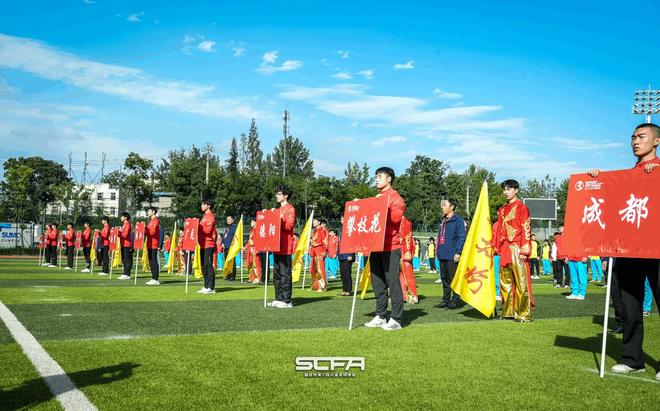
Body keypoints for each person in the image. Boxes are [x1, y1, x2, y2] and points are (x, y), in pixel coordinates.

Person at [588, 123, 660, 378]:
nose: (635, 141)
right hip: (629, 250)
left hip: (656, 249)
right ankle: (632, 359)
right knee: (629, 307)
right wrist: (597, 179)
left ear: (656, 141)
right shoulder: (628, 177)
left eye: (641, 137)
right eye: (632, 137)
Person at [362, 167, 406, 331]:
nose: (377, 179)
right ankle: (380, 315)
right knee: (377, 281)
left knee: (392, 281)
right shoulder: (377, 197)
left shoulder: (396, 198)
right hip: (376, 245)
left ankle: (396, 318)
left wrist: (382, 205)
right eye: (376, 177)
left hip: (391, 246)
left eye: (380, 176)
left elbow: (395, 219)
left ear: (389, 179)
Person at [492, 179, 534, 322]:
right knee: (505, 281)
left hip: (517, 247)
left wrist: (524, 250)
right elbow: (499, 229)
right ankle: (507, 311)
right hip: (504, 248)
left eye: (508, 189)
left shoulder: (522, 208)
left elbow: (526, 229)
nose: (506, 192)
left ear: (516, 190)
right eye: (504, 189)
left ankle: (523, 313)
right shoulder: (502, 209)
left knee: (521, 281)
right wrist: (496, 246)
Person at [434, 198, 466, 310]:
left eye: (444, 205)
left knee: (454, 279)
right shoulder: (443, 220)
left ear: (452, 207)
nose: (442, 207)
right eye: (442, 205)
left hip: (452, 255)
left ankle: (455, 300)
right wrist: (438, 251)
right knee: (444, 279)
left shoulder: (458, 221)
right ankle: (445, 300)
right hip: (442, 254)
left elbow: (462, 237)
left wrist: (458, 252)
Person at [267, 185, 296, 308]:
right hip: (276, 245)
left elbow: (289, 226)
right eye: (277, 194)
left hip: (285, 246)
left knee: (285, 274)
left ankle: (287, 300)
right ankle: (279, 298)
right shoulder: (278, 209)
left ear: (286, 196)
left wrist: (279, 219)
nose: (277, 196)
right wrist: (269, 215)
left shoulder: (290, 209)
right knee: (277, 275)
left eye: (279, 194)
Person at [197, 199, 217, 294]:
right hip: (202, 244)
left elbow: (208, 231)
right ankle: (206, 286)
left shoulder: (210, 216)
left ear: (208, 205)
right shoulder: (204, 217)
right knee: (204, 266)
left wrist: (198, 227)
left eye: (203, 204)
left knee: (208, 266)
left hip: (208, 244)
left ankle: (211, 287)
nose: (201, 206)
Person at [399, 215, 418, 304]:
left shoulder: (405, 222)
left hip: (404, 251)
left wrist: (407, 251)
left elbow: (408, 238)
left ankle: (412, 295)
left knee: (408, 274)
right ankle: (401, 295)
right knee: (396, 275)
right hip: (395, 250)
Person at [309, 217, 328, 291]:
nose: (313, 222)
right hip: (314, 251)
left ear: (319, 222)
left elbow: (325, 241)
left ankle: (322, 286)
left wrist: (324, 252)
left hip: (320, 251)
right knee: (313, 269)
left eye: (315, 221)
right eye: (313, 221)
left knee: (320, 269)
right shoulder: (314, 231)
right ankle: (315, 285)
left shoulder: (322, 230)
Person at [337, 217, 355, 296]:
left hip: (347, 254)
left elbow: (352, 242)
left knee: (347, 273)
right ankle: (344, 289)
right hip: (341, 254)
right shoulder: (340, 229)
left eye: (344, 219)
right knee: (342, 274)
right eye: (341, 219)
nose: (342, 221)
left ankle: (349, 290)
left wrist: (350, 254)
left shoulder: (350, 229)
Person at [145, 207, 161, 285]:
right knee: (151, 261)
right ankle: (153, 278)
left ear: (153, 212)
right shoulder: (151, 221)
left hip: (153, 243)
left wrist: (146, 229)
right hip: (149, 243)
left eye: (149, 211)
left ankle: (155, 279)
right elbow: (147, 233)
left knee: (153, 261)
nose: (148, 212)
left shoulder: (155, 220)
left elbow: (152, 232)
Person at [117, 212, 133, 280]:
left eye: (122, 216)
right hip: (123, 244)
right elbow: (121, 235)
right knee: (124, 260)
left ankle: (127, 274)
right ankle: (125, 273)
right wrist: (118, 232)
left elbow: (125, 235)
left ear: (126, 217)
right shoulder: (124, 224)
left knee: (127, 260)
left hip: (127, 244)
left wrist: (120, 231)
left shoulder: (127, 224)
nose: (121, 217)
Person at [246, 220, 262, 284]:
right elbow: (250, 239)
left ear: (256, 222)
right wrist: (247, 246)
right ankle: (251, 277)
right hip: (250, 248)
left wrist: (257, 248)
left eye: (252, 222)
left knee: (256, 264)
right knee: (250, 263)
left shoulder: (258, 230)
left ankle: (258, 278)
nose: (251, 223)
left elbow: (258, 240)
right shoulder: (252, 230)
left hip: (255, 248)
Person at [222, 215, 237, 281]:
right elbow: (224, 236)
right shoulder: (227, 228)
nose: (228, 221)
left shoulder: (234, 227)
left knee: (232, 262)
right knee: (227, 262)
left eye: (229, 219)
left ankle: (232, 276)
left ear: (233, 220)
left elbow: (236, 237)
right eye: (227, 219)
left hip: (231, 247)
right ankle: (228, 275)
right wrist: (223, 242)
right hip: (226, 247)